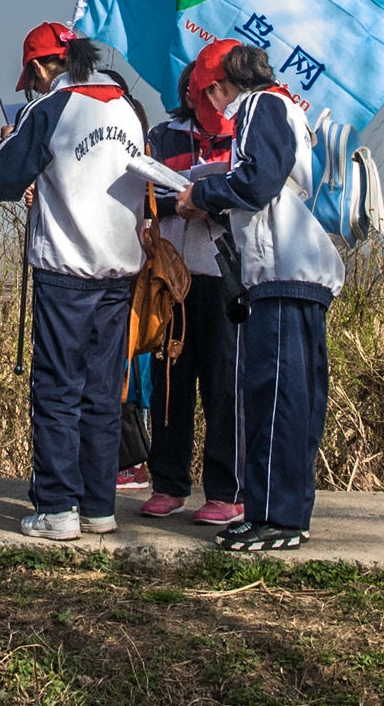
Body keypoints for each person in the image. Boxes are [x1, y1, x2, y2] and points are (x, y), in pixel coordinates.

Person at [0, 23, 147, 541]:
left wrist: (11, 143)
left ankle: (56, 507)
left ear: (36, 68)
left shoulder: (50, 108)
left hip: (66, 269)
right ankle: (98, 506)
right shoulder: (126, 106)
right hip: (120, 270)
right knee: (102, 393)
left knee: (56, 389)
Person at [178, 41, 344, 551]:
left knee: (273, 396)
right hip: (302, 272)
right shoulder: (287, 107)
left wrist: (200, 194)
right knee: (296, 398)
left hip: (281, 271)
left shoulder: (258, 106)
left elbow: (256, 182)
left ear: (216, 86)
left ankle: (275, 517)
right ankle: (285, 511)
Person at [139, 57, 245, 527]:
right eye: (193, 93)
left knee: (225, 385)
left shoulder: (247, 132)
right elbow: (144, 190)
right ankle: (168, 484)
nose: (199, 101)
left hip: (228, 278)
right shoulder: (165, 136)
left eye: (209, 92)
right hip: (173, 279)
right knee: (169, 386)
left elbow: (256, 192)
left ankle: (226, 491)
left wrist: (207, 200)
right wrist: (178, 200)